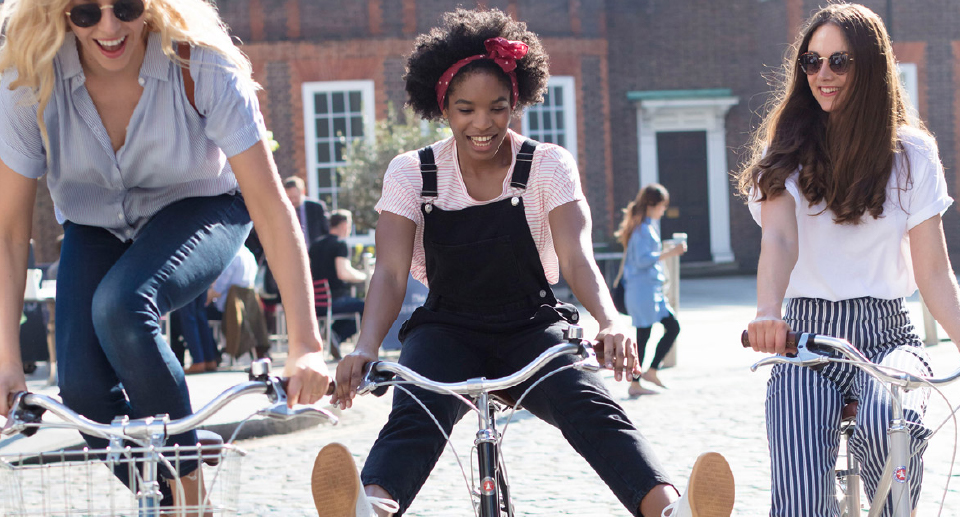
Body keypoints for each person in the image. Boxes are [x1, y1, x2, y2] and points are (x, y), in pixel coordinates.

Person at [314, 8, 735, 517]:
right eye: (465, 109)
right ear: (443, 106)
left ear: (516, 101)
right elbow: (389, 272)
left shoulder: (548, 165)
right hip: (445, 330)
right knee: (415, 412)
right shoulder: (412, 174)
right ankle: (371, 508)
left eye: (497, 107)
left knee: (591, 406)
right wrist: (364, 346)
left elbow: (578, 258)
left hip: (531, 329)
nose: (483, 123)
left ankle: (668, 510)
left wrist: (610, 319)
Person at [0, 0, 330, 511]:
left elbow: (270, 206)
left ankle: (192, 500)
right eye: (87, 13)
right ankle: (180, 494)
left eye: (126, 7)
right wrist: (6, 361)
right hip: (95, 225)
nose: (109, 27)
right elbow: (8, 230)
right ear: (59, 13)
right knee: (82, 392)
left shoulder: (202, 66)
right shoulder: (30, 79)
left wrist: (305, 344)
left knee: (122, 305)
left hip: (204, 206)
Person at [738, 4, 960, 515]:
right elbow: (779, 241)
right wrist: (769, 311)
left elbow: (933, 273)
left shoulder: (913, 154)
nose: (823, 75)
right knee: (799, 487)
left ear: (871, 65)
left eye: (839, 61)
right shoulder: (785, 148)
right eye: (811, 63)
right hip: (804, 338)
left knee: (892, 427)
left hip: (889, 335)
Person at [615, 184, 686, 397]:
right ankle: (636, 382)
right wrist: (671, 252)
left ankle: (650, 371)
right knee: (643, 337)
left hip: (650, 290)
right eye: (662, 206)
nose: (663, 211)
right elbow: (641, 261)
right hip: (642, 290)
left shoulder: (644, 226)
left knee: (671, 327)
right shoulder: (641, 229)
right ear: (652, 205)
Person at [308, 209, 367, 354]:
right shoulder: (340, 244)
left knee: (356, 305)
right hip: (335, 300)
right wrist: (364, 276)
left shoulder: (315, 245)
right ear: (344, 224)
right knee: (368, 307)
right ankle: (336, 334)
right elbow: (343, 272)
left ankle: (332, 334)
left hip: (316, 302)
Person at [284, 175, 330, 245]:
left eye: (295, 197)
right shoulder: (283, 210)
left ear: (303, 192)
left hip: (314, 251)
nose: (293, 201)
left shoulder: (316, 207)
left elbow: (326, 231)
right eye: (290, 198)